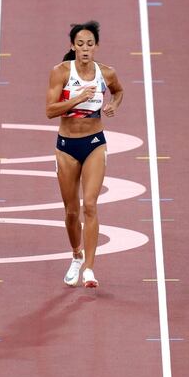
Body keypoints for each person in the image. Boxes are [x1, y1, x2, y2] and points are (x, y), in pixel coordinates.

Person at [45, 20, 123, 288]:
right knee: (71, 212)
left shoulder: (107, 73)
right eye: (80, 44)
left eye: (90, 44)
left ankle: (89, 267)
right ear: (72, 46)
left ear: (97, 47)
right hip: (67, 146)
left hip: (94, 143)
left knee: (90, 205)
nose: (85, 49)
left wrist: (113, 104)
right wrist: (77, 99)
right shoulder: (61, 73)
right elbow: (50, 110)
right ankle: (76, 255)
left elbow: (119, 91)